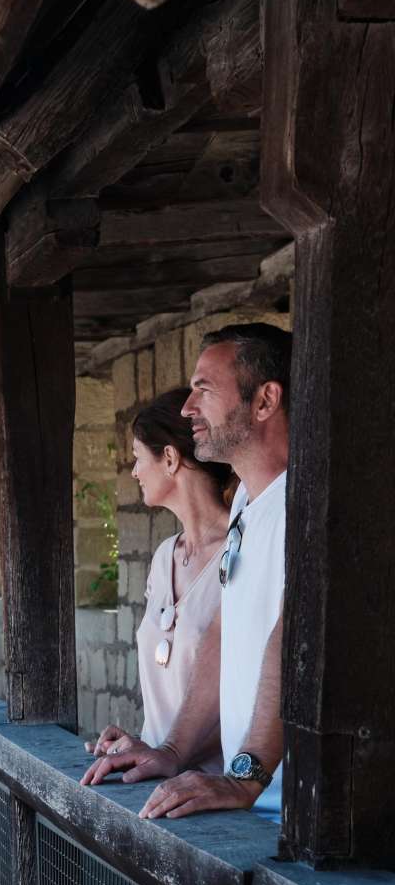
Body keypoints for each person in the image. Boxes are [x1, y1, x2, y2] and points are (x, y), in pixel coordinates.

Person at [84, 322, 291, 823]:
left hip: (296, 817)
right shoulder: (247, 498)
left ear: (264, 401)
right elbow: (223, 633)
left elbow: (297, 637)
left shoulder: (306, 500)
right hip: (245, 805)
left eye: (204, 389)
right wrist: (173, 751)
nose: (187, 408)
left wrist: (245, 776)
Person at [81, 388, 230, 789]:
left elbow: (255, 696)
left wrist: (170, 752)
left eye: (136, 457)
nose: (133, 471)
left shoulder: (241, 553)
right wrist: (145, 744)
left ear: (169, 458)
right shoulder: (164, 557)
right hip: (159, 783)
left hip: (218, 793)